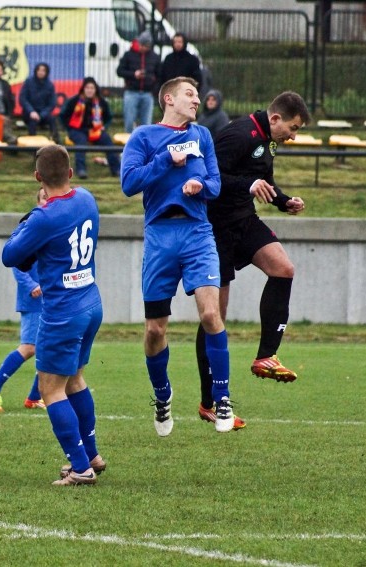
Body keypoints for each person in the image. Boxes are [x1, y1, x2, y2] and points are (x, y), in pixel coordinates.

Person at [120, 76, 235, 436]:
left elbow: (216, 183)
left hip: (198, 233)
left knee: (211, 313)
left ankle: (222, 397)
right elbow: (128, 183)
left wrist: (201, 185)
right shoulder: (143, 137)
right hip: (160, 236)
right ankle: (162, 394)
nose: (197, 100)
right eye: (190, 94)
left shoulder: (202, 136)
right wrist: (167, 162)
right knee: (155, 329)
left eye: (198, 96)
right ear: (168, 99)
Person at [194, 92, 309, 422]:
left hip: (243, 221)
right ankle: (209, 403)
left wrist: (283, 201)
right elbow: (209, 179)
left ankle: (266, 357)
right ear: (275, 119)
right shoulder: (238, 134)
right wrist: (249, 185)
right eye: (293, 127)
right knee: (215, 316)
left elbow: (263, 178)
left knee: (284, 268)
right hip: (215, 228)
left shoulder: (268, 139)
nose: (293, 135)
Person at [1, 144, 105, 486]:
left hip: (62, 311)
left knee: (50, 389)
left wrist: (34, 213)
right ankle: (91, 455)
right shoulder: (87, 198)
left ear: (37, 178)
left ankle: (80, 468)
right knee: (75, 379)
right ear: (71, 173)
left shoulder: (44, 217)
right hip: (91, 303)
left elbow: (10, 255)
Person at [0, 188, 49, 413]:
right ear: (38, 202)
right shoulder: (30, 226)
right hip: (34, 300)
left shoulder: (53, 226)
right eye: (44, 197)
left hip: (52, 299)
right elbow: (15, 262)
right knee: (29, 347)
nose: (49, 200)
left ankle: (34, 397)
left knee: (47, 347)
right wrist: (32, 286)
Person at [59, 77, 121, 179]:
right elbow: (63, 115)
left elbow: (108, 117)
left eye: (92, 88)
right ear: (83, 89)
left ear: (95, 89)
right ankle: (81, 170)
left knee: (108, 141)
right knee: (81, 142)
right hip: (77, 130)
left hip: (96, 130)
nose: (89, 90)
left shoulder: (101, 102)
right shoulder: (74, 100)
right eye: (87, 88)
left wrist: (104, 127)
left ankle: (116, 170)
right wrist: (69, 128)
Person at [116, 31, 161, 133]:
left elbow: (159, 76)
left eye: (146, 46)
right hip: (131, 92)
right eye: (142, 45)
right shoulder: (128, 55)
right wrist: (133, 74)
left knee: (147, 123)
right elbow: (119, 71)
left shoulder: (155, 57)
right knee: (129, 121)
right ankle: (129, 142)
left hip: (147, 93)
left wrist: (153, 89)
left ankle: (144, 145)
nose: (144, 48)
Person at [18, 62, 59, 143]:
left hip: (43, 114)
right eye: (39, 70)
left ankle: (56, 142)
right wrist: (31, 111)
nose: (41, 72)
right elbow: (23, 99)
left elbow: (52, 103)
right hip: (29, 113)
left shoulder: (50, 85)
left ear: (46, 72)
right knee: (32, 122)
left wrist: (42, 114)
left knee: (52, 120)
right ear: (35, 71)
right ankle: (32, 145)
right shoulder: (28, 82)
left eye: (43, 71)